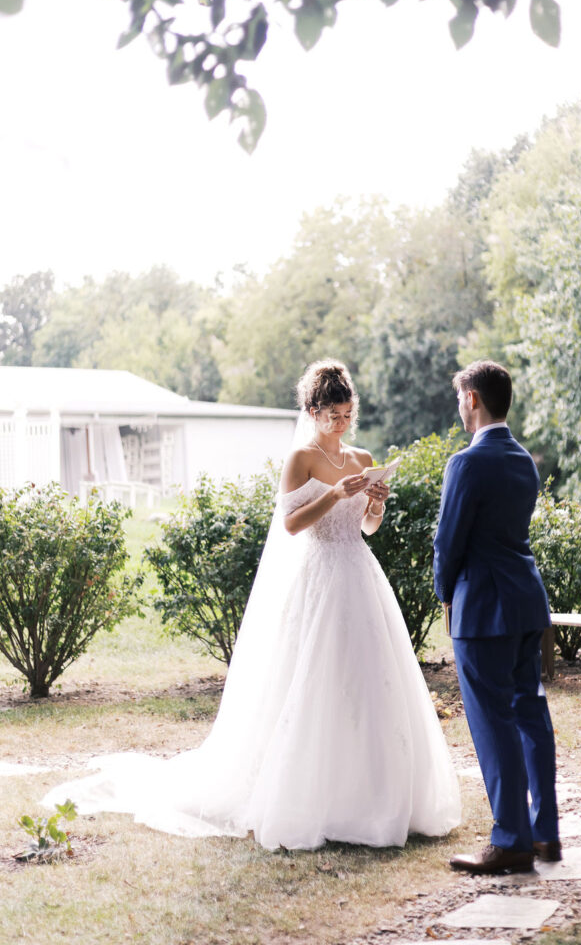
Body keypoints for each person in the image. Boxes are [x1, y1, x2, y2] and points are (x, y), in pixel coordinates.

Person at [43, 359, 459, 850]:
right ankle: (311, 795)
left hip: (360, 575)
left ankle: (374, 796)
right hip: (320, 575)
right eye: (333, 415)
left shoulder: (362, 457)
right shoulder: (300, 458)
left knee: (368, 678)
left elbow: (368, 528)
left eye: (348, 415)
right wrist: (334, 494)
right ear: (313, 411)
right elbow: (291, 525)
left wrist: (375, 502)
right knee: (315, 677)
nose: (342, 423)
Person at [433, 360, 560, 875]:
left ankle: (511, 840)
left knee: (493, 722)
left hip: (483, 607)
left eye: (460, 398)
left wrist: (445, 596)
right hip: (527, 601)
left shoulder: (466, 463)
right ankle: (545, 832)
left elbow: (448, 542)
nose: (459, 406)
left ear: (473, 399)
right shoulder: (522, 460)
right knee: (530, 712)